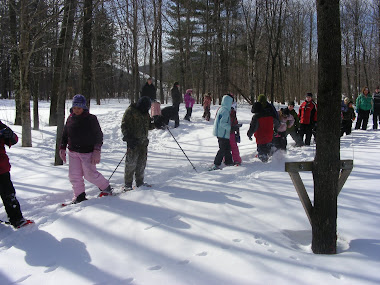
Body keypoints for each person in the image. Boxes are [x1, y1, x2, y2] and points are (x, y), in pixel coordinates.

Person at [60, 95, 112, 204]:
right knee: (74, 175)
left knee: (90, 174)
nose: (76, 110)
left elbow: (98, 135)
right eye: (75, 108)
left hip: (87, 152)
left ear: (84, 107)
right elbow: (65, 134)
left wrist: (97, 150)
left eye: (79, 108)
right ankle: (79, 196)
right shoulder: (70, 118)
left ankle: (106, 187)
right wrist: (62, 148)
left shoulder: (91, 119)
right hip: (73, 152)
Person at [0, 121, 33, 228]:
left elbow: (13, 139)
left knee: (9, 195)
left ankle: (17, 220)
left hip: (2, 168)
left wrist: (10, 135)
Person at [121, 96, 155, 190]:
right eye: (145, 108)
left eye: (147, 108)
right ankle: (128, 184)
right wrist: (128, 137)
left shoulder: (145, 113)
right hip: (133, 142)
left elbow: (148, 126)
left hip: (143, 143)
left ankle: (140, 182)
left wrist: (156, 123)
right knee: (131, 164)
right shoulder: (131, 111)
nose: (146, 110)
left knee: (141, 163)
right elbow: (124, 125)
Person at [247, 94, 279, 162]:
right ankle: (272, 157)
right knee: (268, 147)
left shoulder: (257, 117)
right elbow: (277, 122)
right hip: (270, 135)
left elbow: (253, 127)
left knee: (262, 151)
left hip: (261, 137)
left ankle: (263, 162)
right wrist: (276, 129)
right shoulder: (270, 114)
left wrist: (249, 134)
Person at [210, 94, 234, 170]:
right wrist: (230, 128)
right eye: (231, 102)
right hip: (222, 134)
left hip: (221, 133)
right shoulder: (225, 111)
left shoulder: (222, 109)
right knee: (223, 149)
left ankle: (229, 161)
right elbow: (222, 123)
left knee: (227, 148)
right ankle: (216, 164)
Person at [229, 100, 242, 165]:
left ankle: (236, 160)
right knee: (228, 147)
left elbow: (235, 121)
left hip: (231, 132)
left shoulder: (233, 112)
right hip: (227, 132)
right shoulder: (226, 111)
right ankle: (234, 160)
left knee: (232, 146)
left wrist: (237, 131)